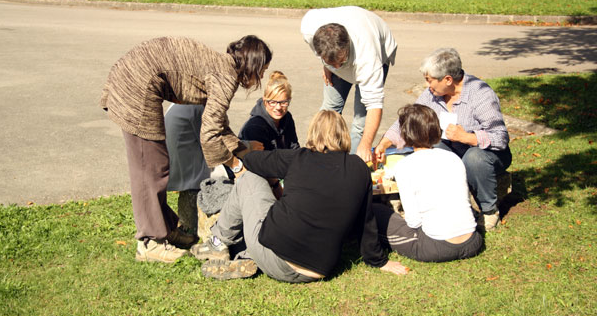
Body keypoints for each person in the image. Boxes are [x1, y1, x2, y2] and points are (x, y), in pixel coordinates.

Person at [100, 35, 272, 263]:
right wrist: (237, 166)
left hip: (135, 76)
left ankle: (167, 230)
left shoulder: (221, 66)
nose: (261, 77)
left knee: (157, 164)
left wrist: (240, 148)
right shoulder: (225, 76)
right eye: (262, 70)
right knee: (149, 168)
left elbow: (217, 123)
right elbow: (209, 135)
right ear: (253, 64)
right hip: (136, 85)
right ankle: (149, 242)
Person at [191, 110, 409, 282]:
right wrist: (379, 261)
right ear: (343, 135)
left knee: (249, 179)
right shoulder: (359, 168)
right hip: (319, 269)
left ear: (313, 133)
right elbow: (366, 221)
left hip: (276, 256)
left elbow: (251, 163)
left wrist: (244, 151)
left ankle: (218, 242)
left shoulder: (298, 157)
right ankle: (244, 256)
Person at [374, 48, 512, 231]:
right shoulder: (433, 94)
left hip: (488, 155)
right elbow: (411, 119)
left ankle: (489, 211)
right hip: (453, 150)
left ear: (448, 79)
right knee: (430, 147)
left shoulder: (481, 94)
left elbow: (500, 138)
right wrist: (385, 142)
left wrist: (468, 137)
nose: (427, 86)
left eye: (430, 80)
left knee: (474, 158)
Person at [373, 104, 483, 262]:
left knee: (375, 211)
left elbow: (413, 221)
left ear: (405, 134)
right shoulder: (453, 158)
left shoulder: (405, 166)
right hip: (473, 241)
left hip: (436, 247)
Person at [300, 6, 398, 163]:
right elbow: (327, 55)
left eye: (341, 61)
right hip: (338, 51)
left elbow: (374, 105)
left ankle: (350, 167)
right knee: (329, 110)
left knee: (360, 124)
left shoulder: (367, 56)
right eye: (332, 62)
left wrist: (365, 145)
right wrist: (327, 65)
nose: (338, 67)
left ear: (347, 46)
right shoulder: (309, 28)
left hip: (377, 48)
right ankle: (318, 162)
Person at [238, 70, 300, 198]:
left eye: (283, 102)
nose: (278, 107)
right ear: (265, 100)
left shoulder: (287, 118)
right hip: (260, 179)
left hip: (280, 174)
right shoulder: (255, 127)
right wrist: (279, 189)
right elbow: (260, 166)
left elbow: (294, 149)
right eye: (273, 102)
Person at [164, 103, 211, 237]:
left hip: (174, 166)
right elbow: (211, 141)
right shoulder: (197, 107)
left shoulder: (179, 104)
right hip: (187, 172)